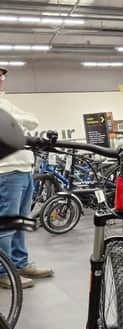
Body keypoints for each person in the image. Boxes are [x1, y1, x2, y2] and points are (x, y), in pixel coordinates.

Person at [0, 66, 54, 288]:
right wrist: (19, 121)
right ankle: (4, 272)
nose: (1, 78)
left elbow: (32, 120)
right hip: (6, 171)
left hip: (23, 169)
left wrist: (18, 121)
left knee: (21, 221)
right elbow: (20, 121)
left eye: (2, 74)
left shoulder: (5, 101)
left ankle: (19, 263)